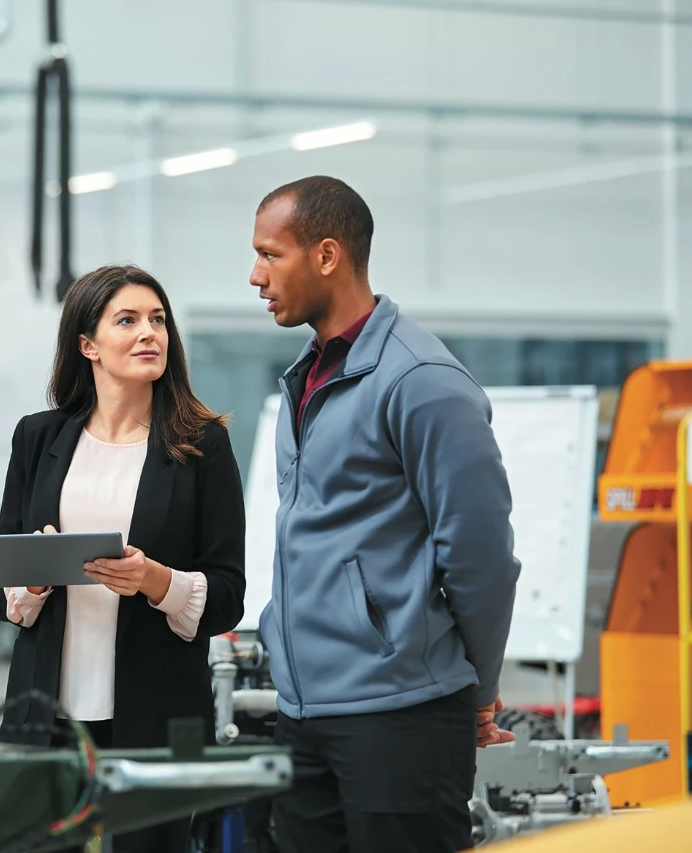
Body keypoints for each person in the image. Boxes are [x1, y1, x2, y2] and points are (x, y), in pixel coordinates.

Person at [250, 175, 520, 853]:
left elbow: (481, 552)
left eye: (270, 254)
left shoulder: (420, 381)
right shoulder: (307, 375)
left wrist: (478, 690)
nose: (255, 276)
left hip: (400, 712)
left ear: (327, 256)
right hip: (305, 710)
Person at [0, 264, 247, 853]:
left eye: (157, 320)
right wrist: (35, 577)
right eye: (126, 320)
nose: (149, 332)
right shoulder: (38, 438)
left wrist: (155, 581)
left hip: (155, 715)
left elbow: (229, 594)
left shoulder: (203, 444)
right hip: (46, 718)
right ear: (87, 345)